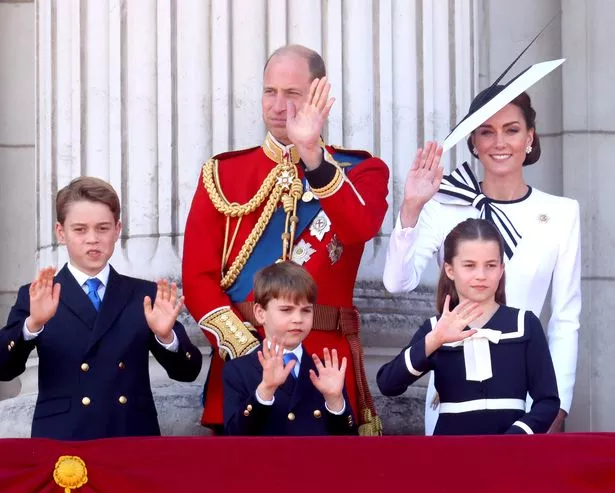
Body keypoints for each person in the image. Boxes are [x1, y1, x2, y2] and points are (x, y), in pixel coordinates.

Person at [182, 44, 389, 435]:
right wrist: (250, 352)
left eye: (292, 94)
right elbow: (197, 278)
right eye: (269, 92)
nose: (278, 105)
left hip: (325, 361)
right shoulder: (223, 173)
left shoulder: (362, 171)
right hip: (242, 365)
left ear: (318, 95)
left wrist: (312, 155)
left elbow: (360, 228)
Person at [383, 85, 580, 434]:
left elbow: (565, 318)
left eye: (512, 130)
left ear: (530, 137)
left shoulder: (562, 213)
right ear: (474, 142)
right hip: (453, 400)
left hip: (527, 406)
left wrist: (558, 406)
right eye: (487, 132)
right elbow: (397, 283)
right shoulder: (443, 206)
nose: (499, 142)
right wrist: (411, 206)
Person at [0, 177, 202, 440]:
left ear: (118, 230)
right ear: (61, 232)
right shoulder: (37, 294)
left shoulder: (144, 295)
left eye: (103, 228)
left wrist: (167, 338)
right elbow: (3, 369)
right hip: (64, 438)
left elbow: (188, 372)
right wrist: (32, 325)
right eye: (80, 229)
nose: (92, 239)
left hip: (130, 436)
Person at [378, 218, 560, 435]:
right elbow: (388, 384)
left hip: (510, 457)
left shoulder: (525, 324)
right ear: (450, 269)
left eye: (490, 265)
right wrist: (433, 341)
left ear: (501, 269)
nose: (481, 276)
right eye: (469, 265)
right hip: (450, 457)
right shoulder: (436, 328)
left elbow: (548, 401)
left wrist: (515, 438)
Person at [223, 261, 357, 435]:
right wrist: (265, 390)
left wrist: (335, 402)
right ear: (260, 313)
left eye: (306, 310)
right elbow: (233, 437)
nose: (298, 319)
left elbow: (349, 445)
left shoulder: (324, 371)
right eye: (286, 310)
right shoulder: (238, 370)